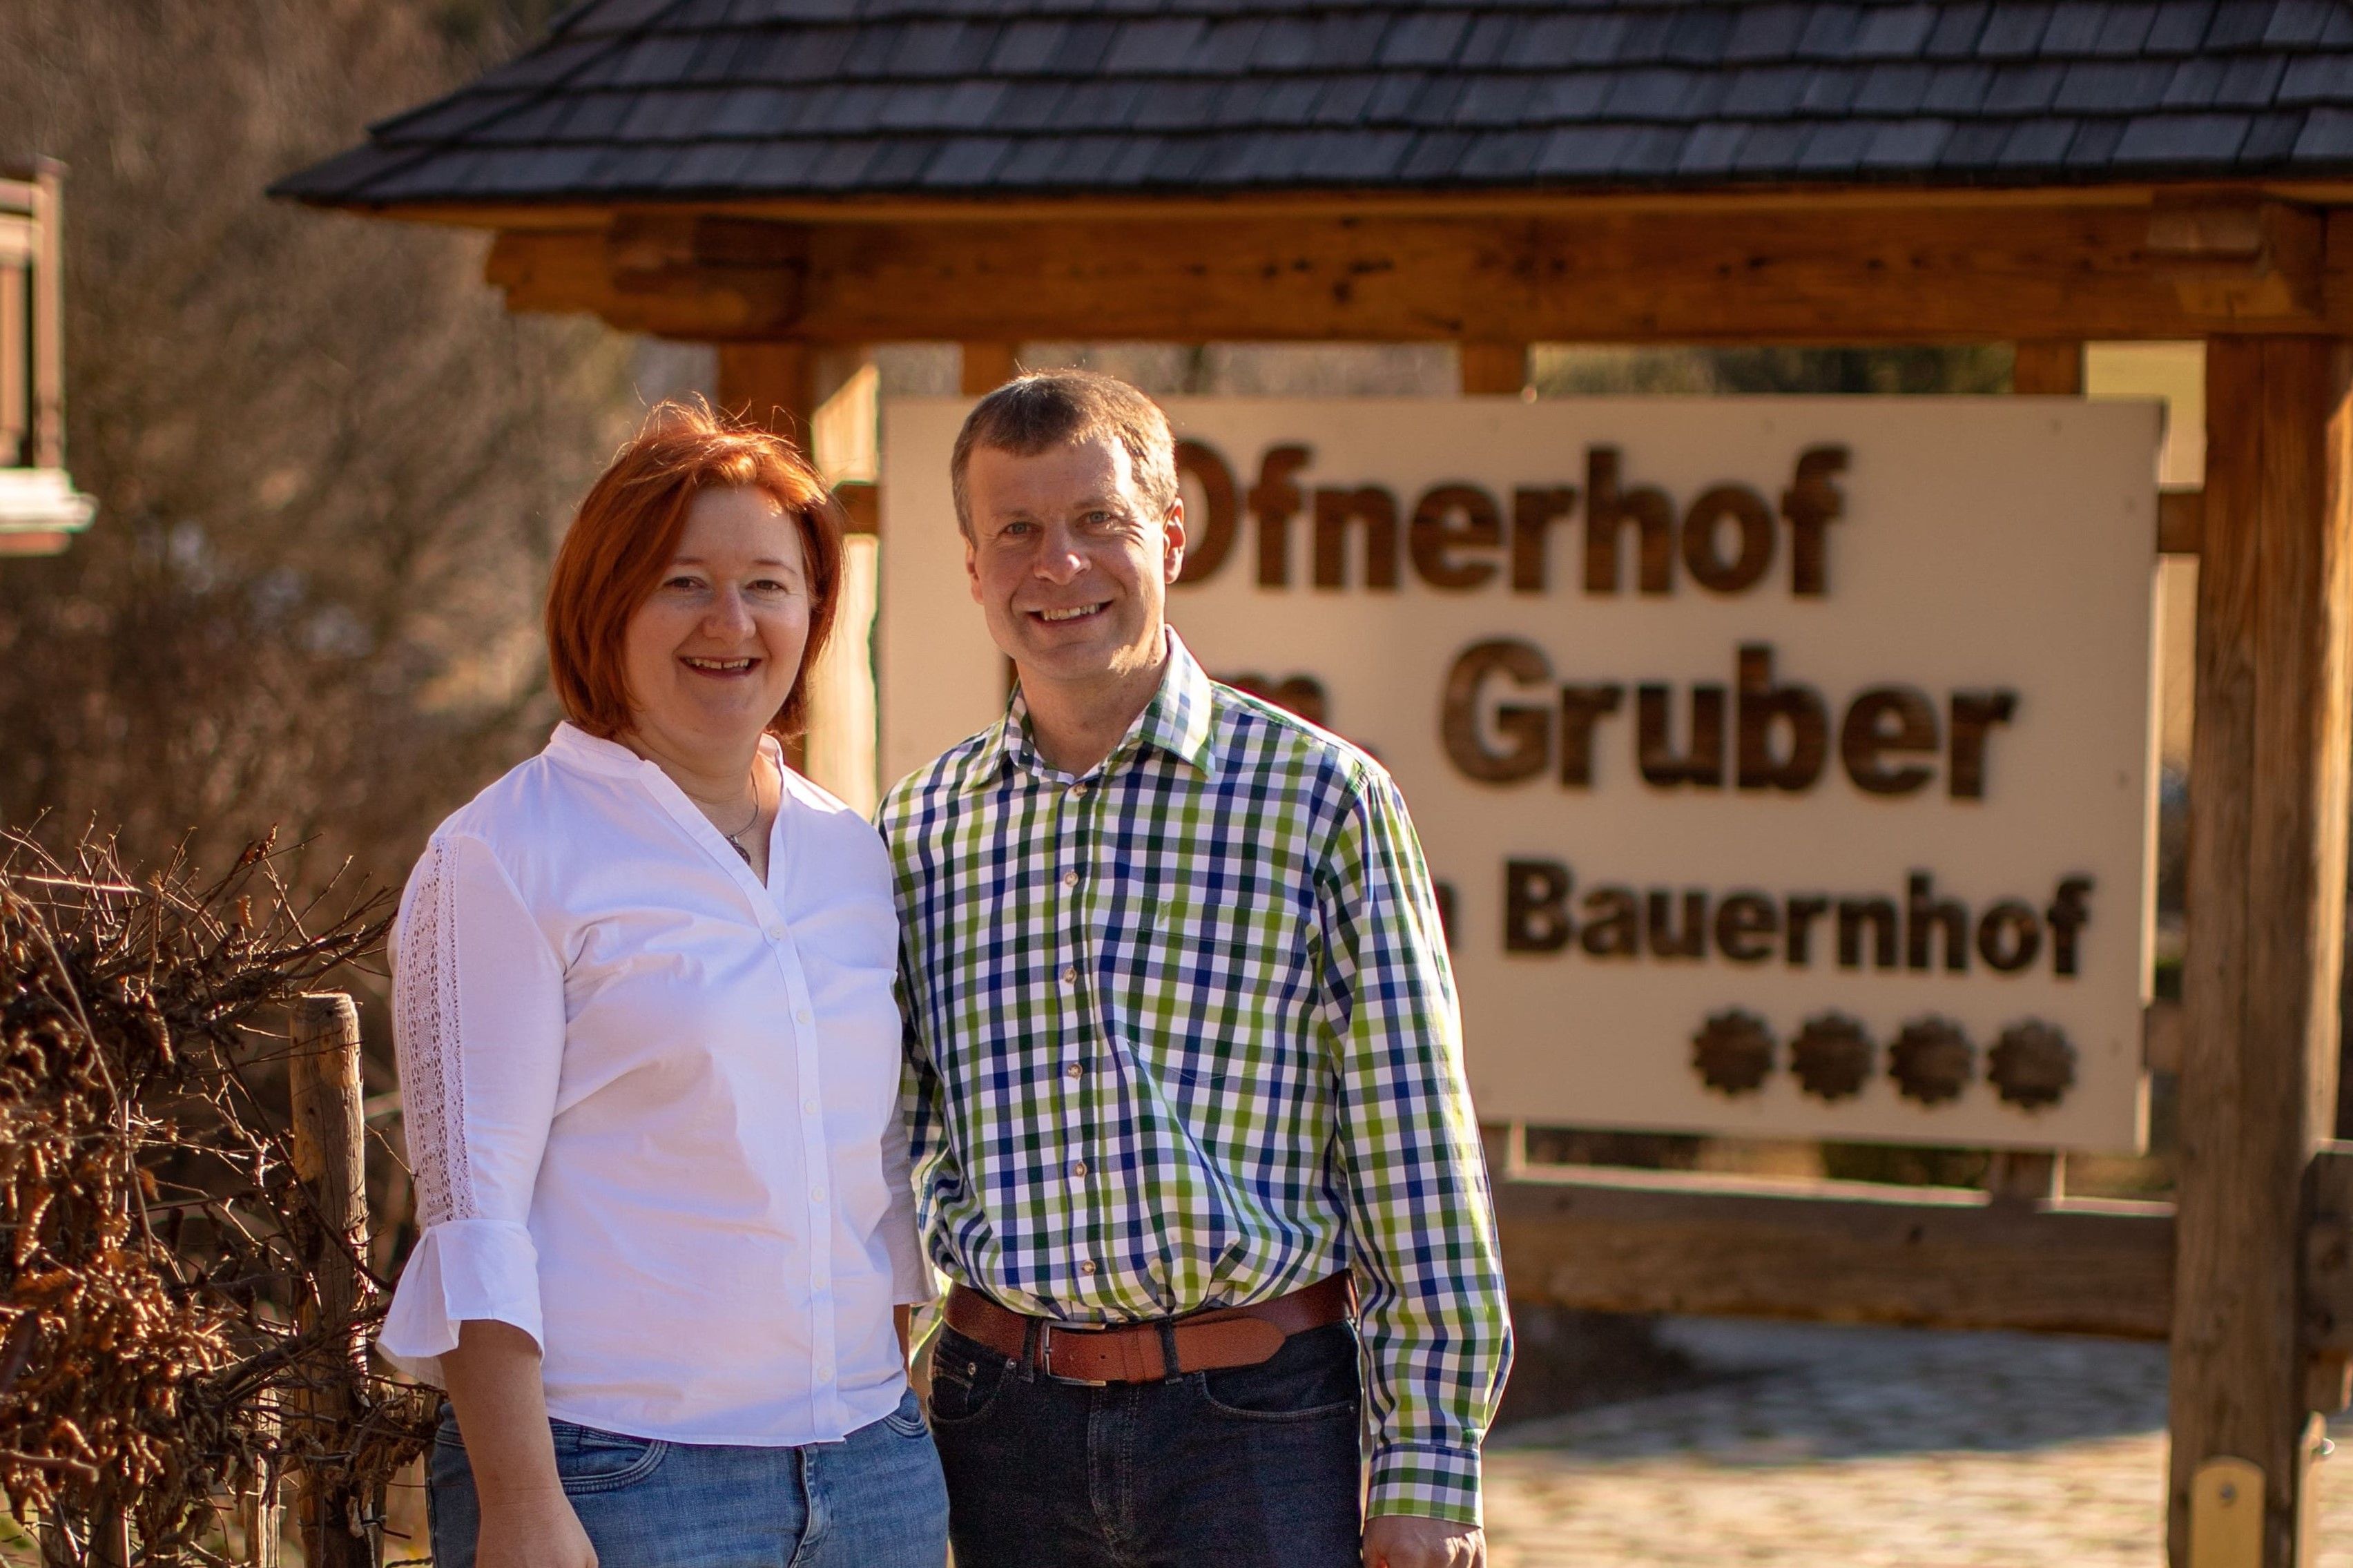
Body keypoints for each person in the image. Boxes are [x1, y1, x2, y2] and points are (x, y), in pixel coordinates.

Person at [879, 370, 1512, 1568]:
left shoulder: (1322, 803)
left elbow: (1416, 1155)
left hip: (1257, 1423)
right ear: (973, 567)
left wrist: (1431, 1467)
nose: (1056, 566)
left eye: (1097, 522)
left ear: (1169, 532)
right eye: (1016, 530)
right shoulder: (920, 831)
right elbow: (877, 1147)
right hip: (997, 1423)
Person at [380, 403, 946, 1568]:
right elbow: (472, 1215)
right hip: (617, 1476)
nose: (730, 623)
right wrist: (525, 1510)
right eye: (683, 582)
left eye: (768, 585)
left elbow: (872, 1177)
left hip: (871, 1466)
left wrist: (891, 1413)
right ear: (607, 605)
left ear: (815, 612)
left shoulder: (850, 855)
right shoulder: (504, 854)